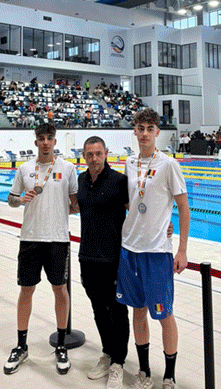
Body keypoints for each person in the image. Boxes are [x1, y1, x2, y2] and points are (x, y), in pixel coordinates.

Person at [118, 108, 190, 389]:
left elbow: (183, 207)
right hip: (129, 249)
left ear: (157, 132)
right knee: (137, 311)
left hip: (158, 252)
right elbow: (131, 202)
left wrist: (181, 249)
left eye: (150, 128)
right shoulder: (129, 161)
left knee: (164, 313)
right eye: (141, 128)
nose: (145, 133)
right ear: (134, 131)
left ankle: (169, 375)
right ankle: (144, 371)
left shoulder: (169, 164)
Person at [4, 123, 78, 376]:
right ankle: (21, 345)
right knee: (27, 289)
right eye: (41, 138)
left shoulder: (68, 168)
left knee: (60, 289)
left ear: (55, 141)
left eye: (49, 138)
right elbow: (11, 200)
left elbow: (76, 204)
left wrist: (59, 209)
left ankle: (60, 345)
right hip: (30, 239)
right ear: (35, 142)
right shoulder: (24, 169)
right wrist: (20, 199)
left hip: (58, 239)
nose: (45, 142)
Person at [77, 136, 129, 388]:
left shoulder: (119, 181)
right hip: (87, 256)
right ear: (84, 156)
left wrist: (163, 226)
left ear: (106, 153)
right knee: (98, 309)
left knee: (117, 310)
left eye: (98, 153)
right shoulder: (81, 179)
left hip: (113, 258)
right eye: (90, 154)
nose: (94, 158)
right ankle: (108, 353)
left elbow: (140, 210)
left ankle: (119, 362)